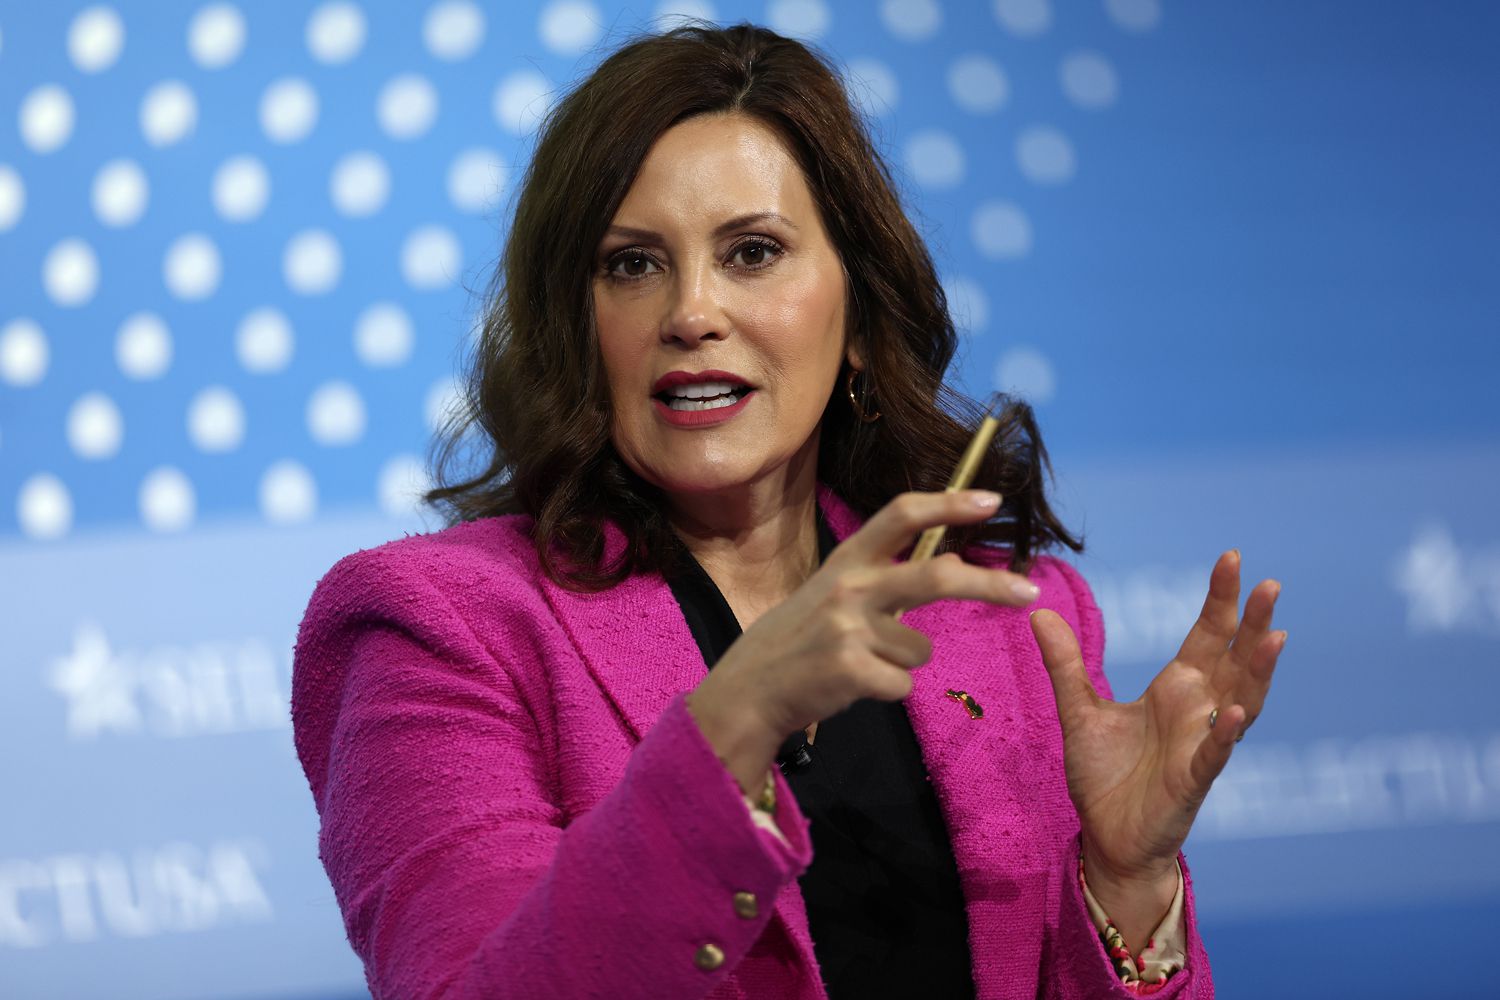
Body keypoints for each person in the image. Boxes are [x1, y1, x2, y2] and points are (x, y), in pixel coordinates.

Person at [291, 22, 1284, 1000]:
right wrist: (732, 721)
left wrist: (1124, 879)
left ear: (856, 315)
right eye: (632, 263)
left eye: (752, 252)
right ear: (576, 324)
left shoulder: (1010, 616)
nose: (691, 312)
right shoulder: (438, 627)